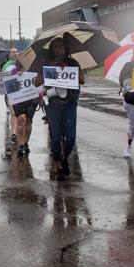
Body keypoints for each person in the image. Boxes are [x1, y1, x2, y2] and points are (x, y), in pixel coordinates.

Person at [33, 37, 85, 179]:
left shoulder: (73, 62)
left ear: (66, 48)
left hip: (70, 102)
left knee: (71, 137)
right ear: (52, 50)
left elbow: (82, 80)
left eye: (61, 46)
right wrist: (50, 68)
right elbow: (36, 82)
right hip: (53, 104)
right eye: (55, 46)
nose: (59, 48)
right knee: (55, 137)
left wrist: (69, 69)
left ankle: (64, 158)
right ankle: (57, 163)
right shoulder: (46, 63)